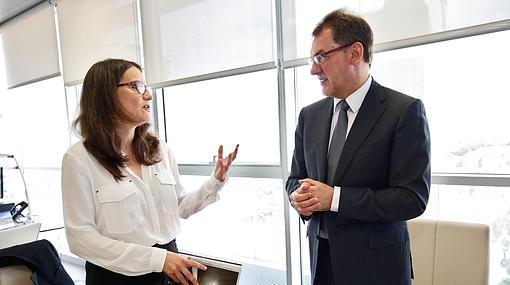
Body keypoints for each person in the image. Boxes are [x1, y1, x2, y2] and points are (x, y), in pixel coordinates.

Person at [61, 58, 239, 285]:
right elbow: (80, 238)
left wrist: (216, 180)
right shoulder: (78, 159)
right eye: (137, 86)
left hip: (169, 266)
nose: (148, 95)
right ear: (106, 95)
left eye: (146, 87)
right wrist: (157, 259)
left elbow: (180, 207)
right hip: (115, 276)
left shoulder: (160, 150)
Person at [286, 9, 430, 285]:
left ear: (355, 53)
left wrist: (335, 198)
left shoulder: (404, 111)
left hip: (377, 270)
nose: (314, 69)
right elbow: (294, 179)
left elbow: (412, 198)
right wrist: (298, 198)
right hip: (321, 264)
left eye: (321, 57)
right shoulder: (309, 115)